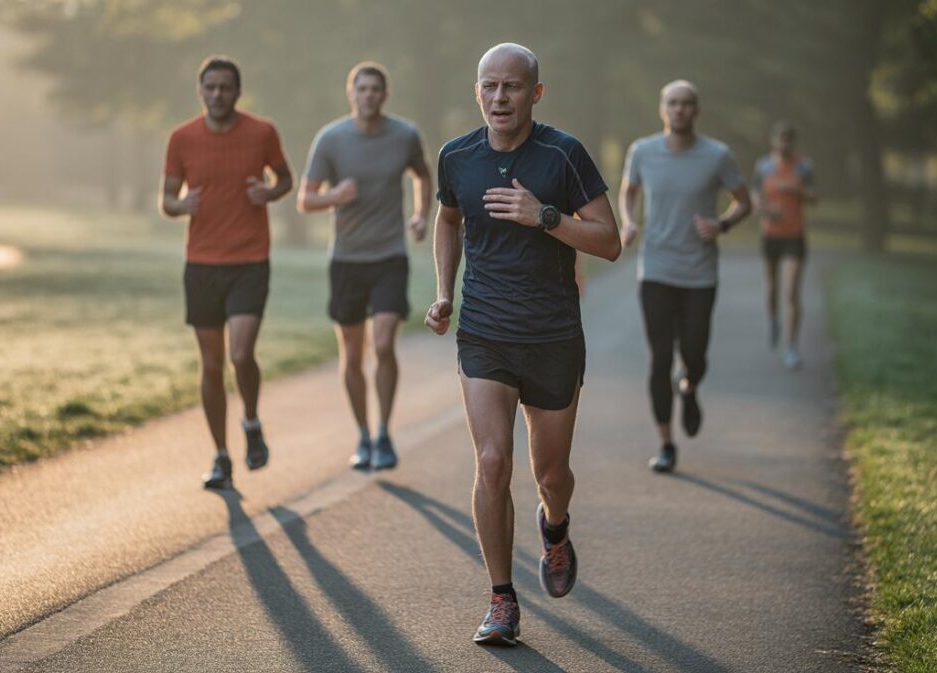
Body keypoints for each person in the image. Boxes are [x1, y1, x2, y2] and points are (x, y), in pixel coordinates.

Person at [426, 43, 621, 646]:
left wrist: (545, 217)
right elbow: (448, 219)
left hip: (553, 335)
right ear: (476, 92)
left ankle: (555, 528)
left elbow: (609, 242)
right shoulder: (457, 156)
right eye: (489, 86)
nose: (499, 98)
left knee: (551, 473)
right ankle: (502, 599)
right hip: (485, 330)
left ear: (535, 94)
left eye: (511, 87)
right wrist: (444, 293)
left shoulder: (564, 155)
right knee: (491, 462)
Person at [160, 55, 293, 489]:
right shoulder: (181, 138)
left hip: (250, 261)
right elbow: (167, 200)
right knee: (212, 365)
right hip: (201, 264)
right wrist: (183, 205)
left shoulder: (262, 132)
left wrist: (268, 192)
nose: (218, 94)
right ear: (201, 91)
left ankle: (251, 422)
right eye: (210, 87)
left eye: (225, 87)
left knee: (240, 355)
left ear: (238, 92)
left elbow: (286, 179)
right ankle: (221, 456)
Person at [298, 61, 431, 471]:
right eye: (362, 89)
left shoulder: (404, 135)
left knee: (385, 343)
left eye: (376, 89)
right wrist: (335, 196)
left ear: (384, 95)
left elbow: (423, 176)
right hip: (347, 260)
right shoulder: (331, 139)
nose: (369, 95)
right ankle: (362, 434)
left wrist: (423, 214)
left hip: (390, 255)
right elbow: (305, 199)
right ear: (351, 93)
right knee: (352, 354)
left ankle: (385, 433)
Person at [619, 80, 752, 474]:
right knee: (660, 357)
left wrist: (722, 225)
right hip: (656, 269)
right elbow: (628, 191)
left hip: (699, 272)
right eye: (672, 103)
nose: (679, 110)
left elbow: (745, 201)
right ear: (663, 109)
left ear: (697, 110)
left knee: (694, 353)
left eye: (686, 104)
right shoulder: (642, 151)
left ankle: (689, 386)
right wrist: (629, 222)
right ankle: (665, 443)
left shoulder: (716, 155)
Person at [752, 121, 816, 369]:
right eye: (780, 139)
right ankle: (773, 320)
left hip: (794, 235)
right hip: (770, 234)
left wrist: (796, 189)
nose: (784, 143)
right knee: (772, 288)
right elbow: (755, 198)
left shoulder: (804, 167)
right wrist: (768, 210)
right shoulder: (764, 166)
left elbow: (814, 197)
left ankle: (791, 347)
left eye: (788, 139)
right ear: (773, 141)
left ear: (793, 142)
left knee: (791, 291)